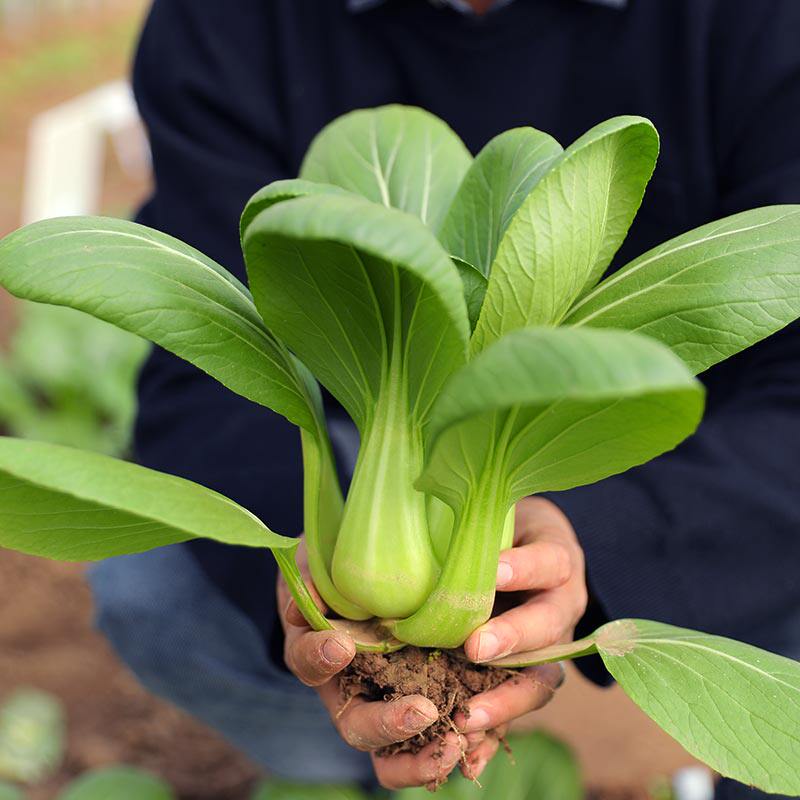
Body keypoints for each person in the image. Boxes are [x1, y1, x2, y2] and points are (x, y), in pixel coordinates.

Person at [89, 0, 800, 795]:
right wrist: (307, 589)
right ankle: (392, 749)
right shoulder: (224, 22)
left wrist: (598, 545)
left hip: (688, 476)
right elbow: (197, 370)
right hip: (360, 462)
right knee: (152, 587)